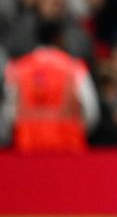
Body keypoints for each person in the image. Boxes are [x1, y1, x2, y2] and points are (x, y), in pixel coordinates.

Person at [0, 19, 100, 152]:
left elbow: (8, 113)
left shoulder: (17, 69)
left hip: (26, 150)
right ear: (59, 38)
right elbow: (91, 111)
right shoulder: (75, 68)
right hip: (68, 149)